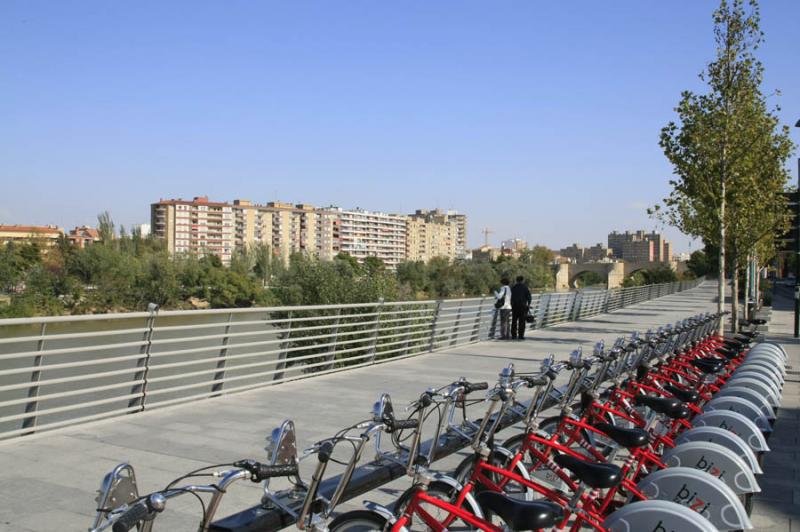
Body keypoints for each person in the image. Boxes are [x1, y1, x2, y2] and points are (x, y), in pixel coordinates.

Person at [510, 276, 532, 340]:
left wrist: (512, 305)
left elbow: (511, 297)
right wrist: (528, 304)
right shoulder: (525, 288)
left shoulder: (513, 288)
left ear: (516, 280)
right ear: (522, 280)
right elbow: (529, 297)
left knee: (514, 321)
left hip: (514, 307)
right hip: (523, 307)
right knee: (522, 322)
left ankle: (513, 335)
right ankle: (521, 335)